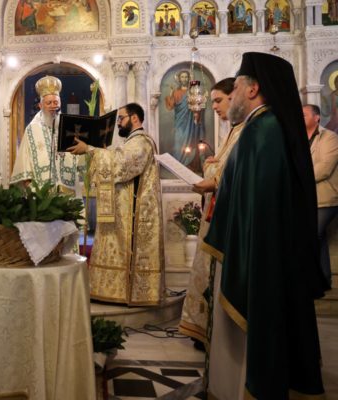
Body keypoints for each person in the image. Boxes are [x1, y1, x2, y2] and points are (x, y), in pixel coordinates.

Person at [201, 52, 326, 398]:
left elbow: (261, 206)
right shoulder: (262, 127)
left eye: (237, 87)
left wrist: (248, 251)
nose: (233, 95)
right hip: (257, 242)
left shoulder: (263, 130)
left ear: (253, 89)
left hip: (259, 249)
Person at [68, 103, 164, 305]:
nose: (118, 123)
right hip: (125, 212)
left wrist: (90, 150)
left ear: (134, 118)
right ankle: (115, 291)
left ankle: (130, 293)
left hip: (135, 214)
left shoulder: (142, 142)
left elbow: (122, 164)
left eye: (121, 118)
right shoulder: (132, 142)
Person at [178, 78, 246, 348]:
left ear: (234, 97)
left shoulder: (245, 130)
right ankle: (204, 329)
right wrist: (212, 167)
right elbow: (221, 168)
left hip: (225, 215)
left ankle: (211, 331)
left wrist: (212, 173)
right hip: (215, 210)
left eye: (218, 100)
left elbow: (226, 173)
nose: (214, 107)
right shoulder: (234, 130)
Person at [11, 75, 83, 191]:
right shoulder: (32, 130)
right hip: (41, 193)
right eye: (49, 103)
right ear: (40, 105)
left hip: (68, 190)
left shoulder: (70, 128)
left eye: (56, 102)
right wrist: (32, 190)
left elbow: (81, 159)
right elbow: (24, 165)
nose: (53, 106)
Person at [304, 103, 338, 289]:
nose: (300, 118)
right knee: (319, 237)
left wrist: (300, 178)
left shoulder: (330, 137)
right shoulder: (300, 138)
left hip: (327, 197)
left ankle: (312, 280)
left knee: (313, 234)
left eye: (304, 115)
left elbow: (325, 168)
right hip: (308, 198)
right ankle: (324, 279)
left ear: (317, 117)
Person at [164, 70, 206, 170]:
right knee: (179, 141)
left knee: (191, 141)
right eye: (182, 77)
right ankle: (177, 165)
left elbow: (198, 105)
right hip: (180, 122)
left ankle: (189, 163)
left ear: (189, 78)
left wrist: (197, 111)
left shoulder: (193, 91)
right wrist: (171, 94)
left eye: (186, 77)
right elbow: (170, 106)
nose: (184, 79)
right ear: (179, 79)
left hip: (191, 122)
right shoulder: (176, 92)